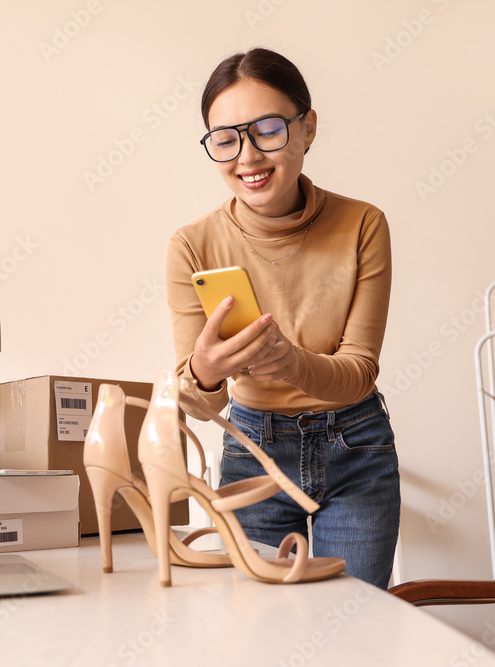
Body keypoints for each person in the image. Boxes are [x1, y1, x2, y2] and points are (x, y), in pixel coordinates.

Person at [164, 47, 400, 588]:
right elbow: (201, 405)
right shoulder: (191, 246)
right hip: (253, 452)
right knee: (260, 633)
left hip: (356, 448)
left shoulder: (363, 225)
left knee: (354, 624)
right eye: (225, 139)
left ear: (307, 128)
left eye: (267, 129)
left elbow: (360, 370)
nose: (247, 157)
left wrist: (291, 365)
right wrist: (202, 372)